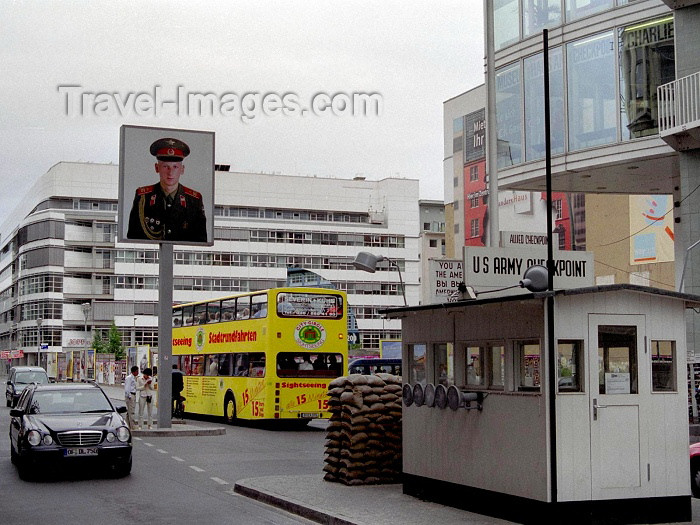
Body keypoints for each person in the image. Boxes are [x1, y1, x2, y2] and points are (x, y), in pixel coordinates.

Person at [127, 137, 207, 242]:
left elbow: (201, 241)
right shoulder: (143, 197)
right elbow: (133, 238)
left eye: (175, 167)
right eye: (165, 167)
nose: (170, 173)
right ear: (157, 168)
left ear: (182, 169)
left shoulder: (194, 200)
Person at [123, 366, 139, 431]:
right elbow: (127, 388)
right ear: (134, 371)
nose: (138, 372)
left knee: (129, 412)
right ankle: (132, 426)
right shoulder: (129, 378)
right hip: (130, 395)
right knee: (131, 411)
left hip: (133, 394)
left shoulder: (134, 378)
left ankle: (126, 425)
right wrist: (129, 396)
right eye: (137, 371)